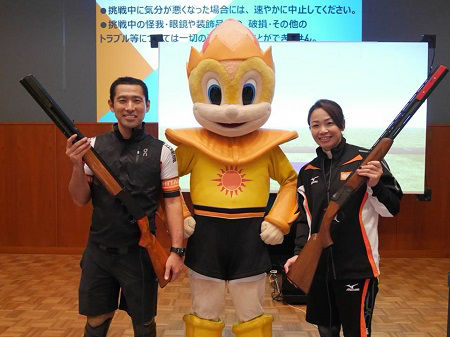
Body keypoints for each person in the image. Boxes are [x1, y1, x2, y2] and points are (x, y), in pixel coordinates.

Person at [65, 76, 184, 337]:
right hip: (99, 252)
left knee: (143, 323)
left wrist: (176, 251)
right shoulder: (92, 147)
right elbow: (79, 198)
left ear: (147, 105)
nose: (130, 106)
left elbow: (174, 202)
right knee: (96, 321)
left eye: (136, 100)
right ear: (111, 104)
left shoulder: (164, 151)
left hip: (140, 253)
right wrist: (76, 164)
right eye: (122, 100)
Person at [284, 99, 403, 337]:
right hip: (318, 266)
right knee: (326, 329)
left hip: (357, 267)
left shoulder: (367, 161)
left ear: (342, 124)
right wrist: (298, 253)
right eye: (315, 125)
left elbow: (390, 210)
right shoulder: (308, 171)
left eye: (329, 123)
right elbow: (304, 220)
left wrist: (376, 184)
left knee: (356, 332)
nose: (322, 130)